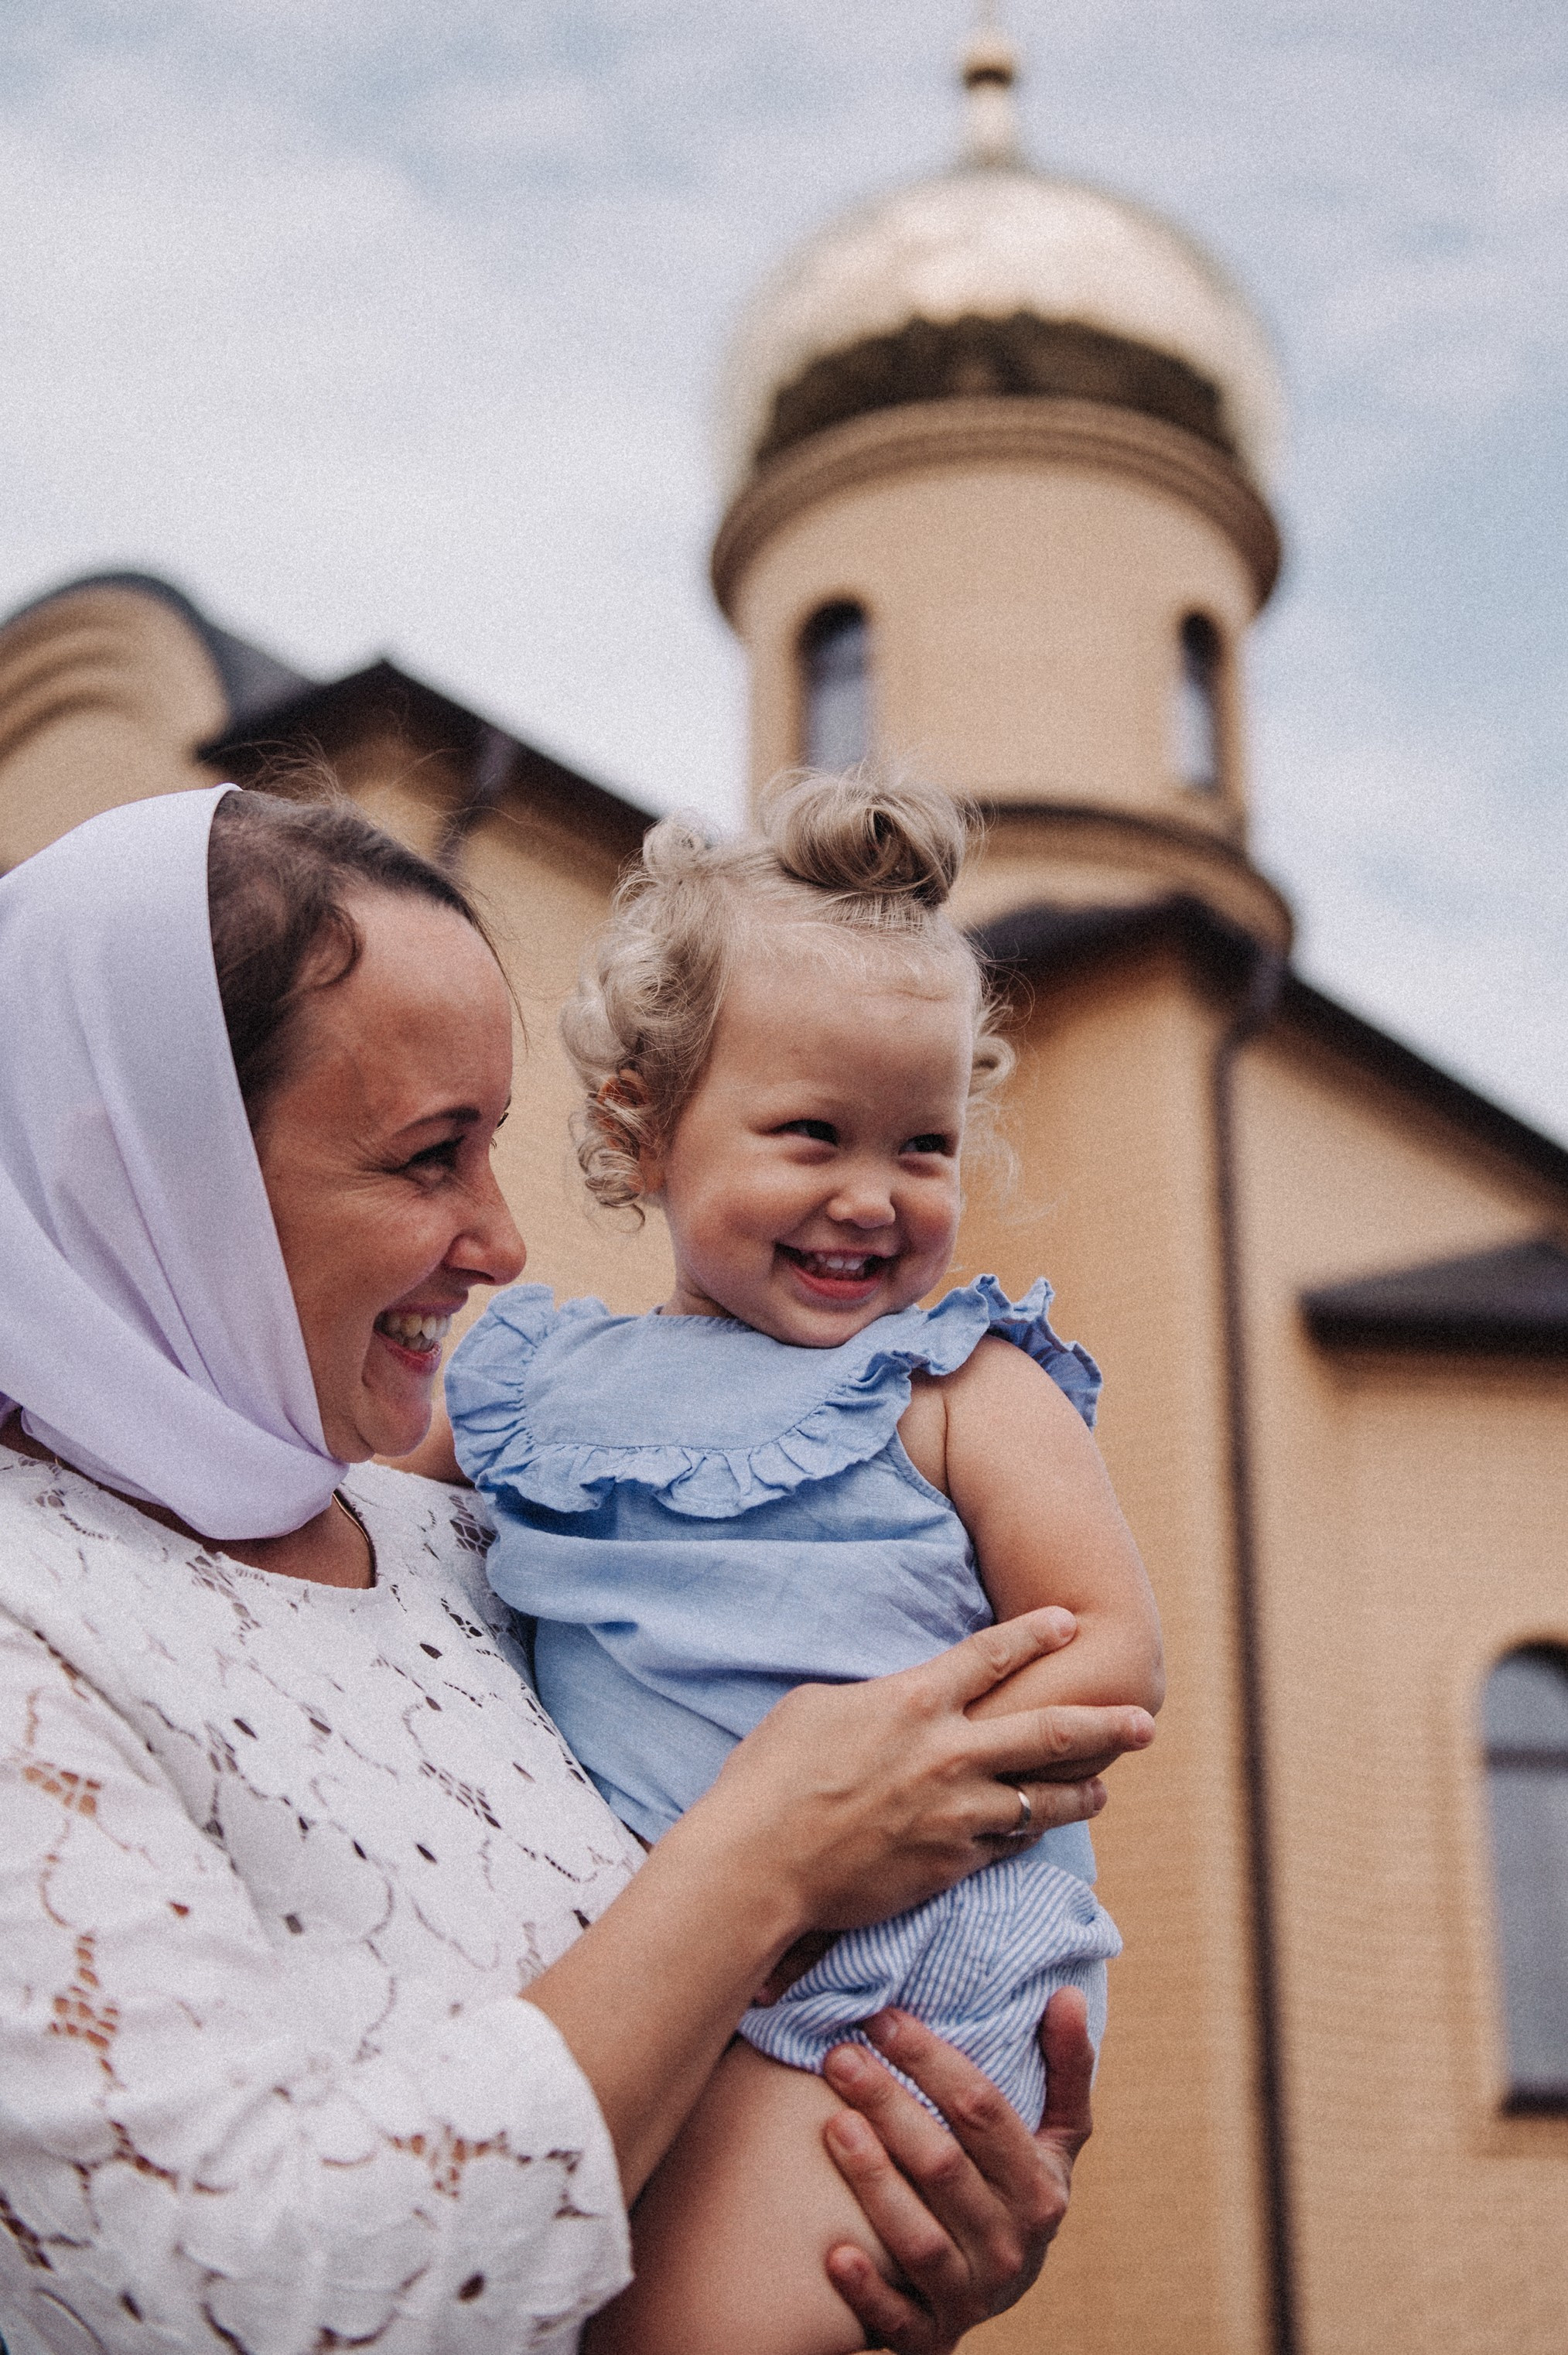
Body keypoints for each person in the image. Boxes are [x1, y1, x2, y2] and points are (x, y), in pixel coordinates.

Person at [0, 781, 1156, 2355]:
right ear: (143, 1161)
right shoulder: (41, 1630)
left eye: (493, 1145)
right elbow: (224, 2301)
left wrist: (907, 2286)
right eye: (427, 1157)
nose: (504, 1243)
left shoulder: (442, 1537)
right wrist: (769, 1854)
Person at [422, 771, 1166, 2355]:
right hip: (645, 1946)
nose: (871, 1195)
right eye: (813, 1133)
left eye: (922, 1145)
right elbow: (343, 1520)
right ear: (647, 1120)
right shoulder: (535, 1381)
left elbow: (1107, 1648)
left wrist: (910, 1814)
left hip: (903, 1957)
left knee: (689, 2333)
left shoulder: (963, 1384)